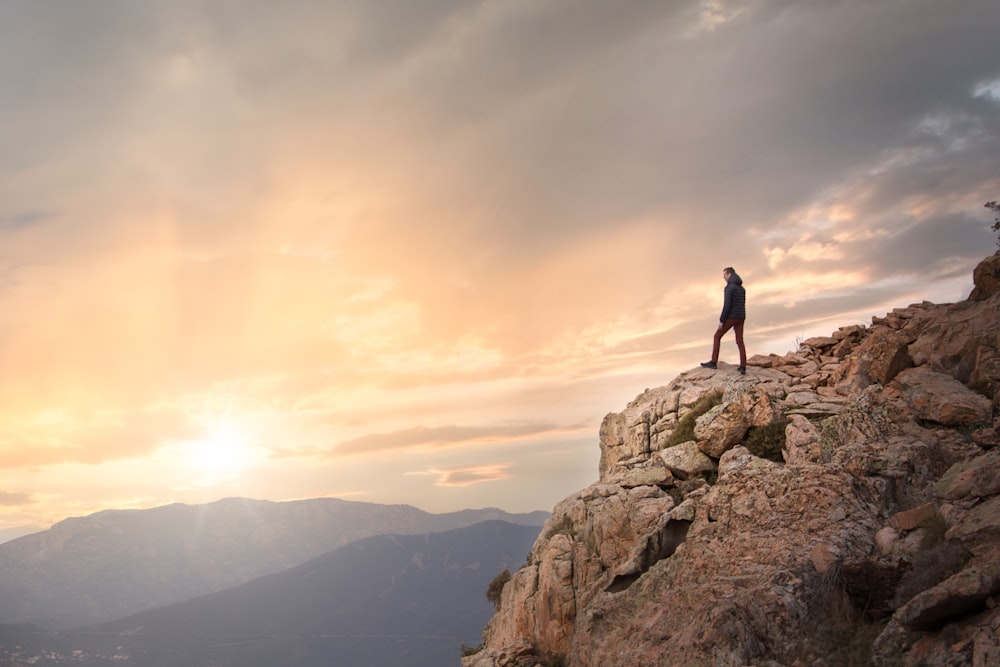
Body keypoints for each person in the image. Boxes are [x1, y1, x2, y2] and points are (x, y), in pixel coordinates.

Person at [701, 266, 747, 374]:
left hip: (731, 317)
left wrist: (721, 321)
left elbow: (727, 305)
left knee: (717, 336)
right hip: (741, 317)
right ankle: (743, 366)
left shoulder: (729, 288)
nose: (723, 277)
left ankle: (713, 362)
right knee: (740, 341)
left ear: (729, 274)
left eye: (724, 275)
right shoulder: (742, 288)